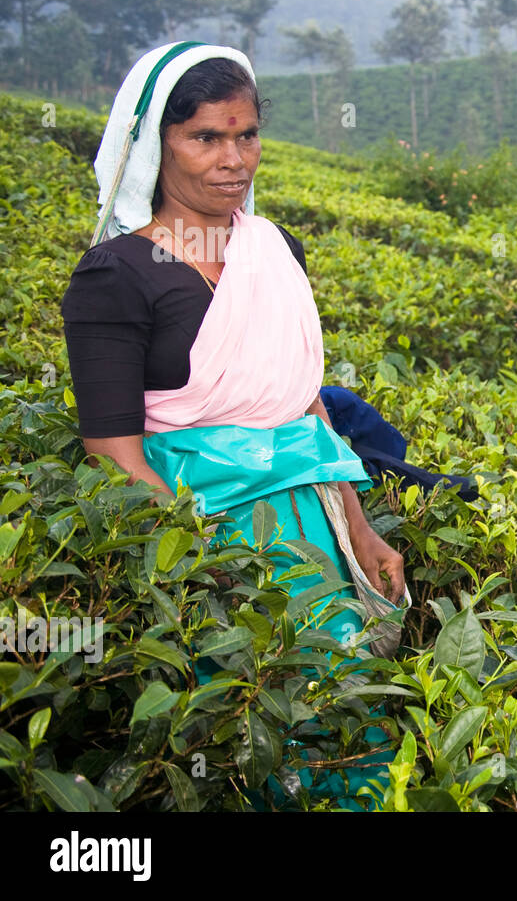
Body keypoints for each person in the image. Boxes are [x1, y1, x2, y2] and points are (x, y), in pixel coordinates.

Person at [61, 41, 407, 803]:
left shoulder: (274, 249)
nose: (233, 159)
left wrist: (360, 525)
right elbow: (112, 450)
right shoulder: (116, 274)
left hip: (310, 531)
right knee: (248, 727)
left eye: (246, 134)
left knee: (343, 721)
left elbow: (300, 403)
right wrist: (204, 565)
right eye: (205, 137)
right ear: (158, 143)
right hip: (200, 531)